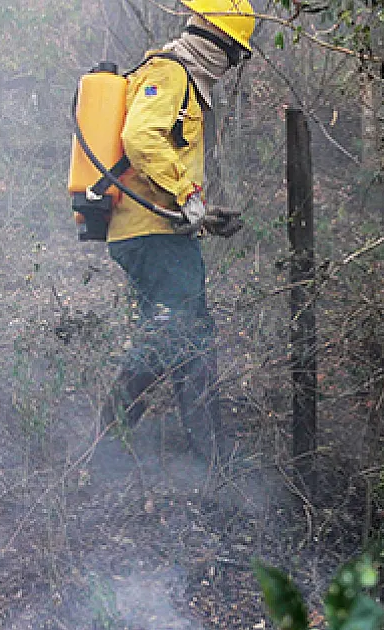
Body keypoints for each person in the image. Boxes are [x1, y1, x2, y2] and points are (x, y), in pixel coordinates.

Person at [100, 0, 254, 468]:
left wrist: (204, 214)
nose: (230, 64)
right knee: (175, 331)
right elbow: (140, 138)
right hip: (148, 232)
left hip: (158, 230)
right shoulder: (169, 74)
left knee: (192, 334)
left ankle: (208, 450)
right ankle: (109, 434)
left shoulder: (179, 77)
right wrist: (188, 194)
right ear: (217, 40)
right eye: (234, 52)